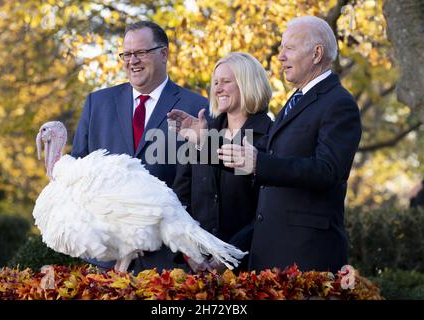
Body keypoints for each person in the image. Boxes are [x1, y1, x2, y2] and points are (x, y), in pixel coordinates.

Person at [216, 16, 362, 273]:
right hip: (269, 255)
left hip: (306, 257)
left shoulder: (339, 103)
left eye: (289, 48)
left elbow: (328, 171)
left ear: (316, 54)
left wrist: (260, 163)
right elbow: (265, 156)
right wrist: (202, 141)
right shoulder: (297, 100)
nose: (280, 57)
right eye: (281, 48)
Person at [71, 21, 208, 272]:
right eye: (127, 54)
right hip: (107, 262)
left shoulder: (197, 107)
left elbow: (205, 185)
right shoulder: (97, 104)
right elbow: (77, 176)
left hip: (169, 262)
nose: (132, 61)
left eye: (141, 53)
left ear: (164, 54)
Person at [170, 52, 273, 272]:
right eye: (215, 82)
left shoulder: (271, 136)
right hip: (197, 268)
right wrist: (190, 253)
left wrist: (227, 256)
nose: (218, 89)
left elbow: (269, 210)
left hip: (249, 268)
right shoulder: (201, 131)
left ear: (248, 84)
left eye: (226, 81)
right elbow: (179, 201)